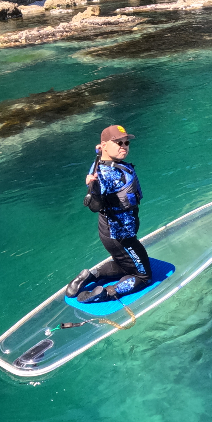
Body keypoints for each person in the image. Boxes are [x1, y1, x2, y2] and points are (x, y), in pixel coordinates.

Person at [64, 124, 152, 302]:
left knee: (123, 263)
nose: (124, 146)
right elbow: (95, 205)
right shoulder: (104, 175)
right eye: (118, 143)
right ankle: (107, 293)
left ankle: (89, 276)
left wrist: (101, 149)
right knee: (144, 276)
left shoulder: (101, 163)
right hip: (121, 237)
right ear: (105, 146)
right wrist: (94, 189)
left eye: (126, 142)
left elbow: (101, 156)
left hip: (111, 234)